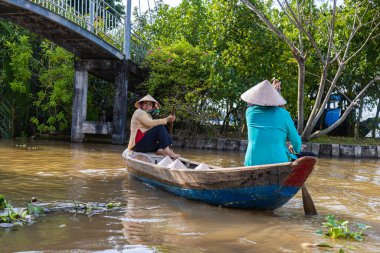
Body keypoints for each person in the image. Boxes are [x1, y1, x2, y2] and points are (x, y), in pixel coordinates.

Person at [241, 80, 302, 166]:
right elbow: (296, 140)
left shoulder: (249, 113)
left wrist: (274, 93)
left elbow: (255, 105)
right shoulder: (284, 114)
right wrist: (296, 151)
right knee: (305, 155)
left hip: (251, 162)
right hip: (279, 163)